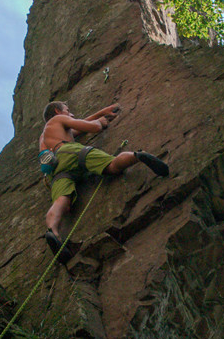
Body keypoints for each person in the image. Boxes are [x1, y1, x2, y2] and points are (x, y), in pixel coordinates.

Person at [38, 100, 168, 263]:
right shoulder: (58, 119)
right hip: (70, 152)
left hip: (56, 169)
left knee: (61, 200)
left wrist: (102, 112)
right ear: (57, 111)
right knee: (112, 165)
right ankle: (137, 156)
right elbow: (91, 127)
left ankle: (53, 232)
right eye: (68, 110)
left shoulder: (46, 134)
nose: (71, 114)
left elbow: (77, 125)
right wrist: (100, 122)